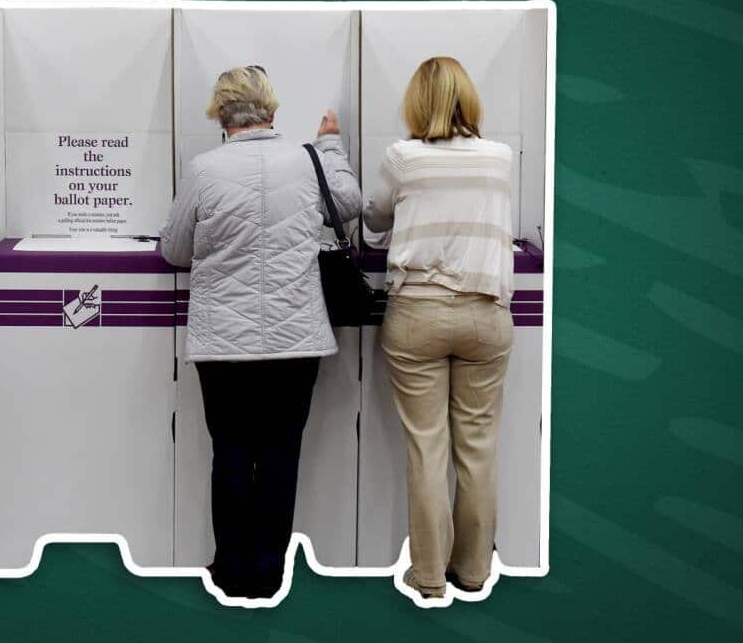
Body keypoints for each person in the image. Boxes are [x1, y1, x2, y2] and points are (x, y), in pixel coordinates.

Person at [160, 66, 362, 599]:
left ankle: (230, 571)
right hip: (296, 344)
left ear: (220, 115)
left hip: (222, 347)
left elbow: (174, 250)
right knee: (280, 455)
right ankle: (269, 573)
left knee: (229, 452)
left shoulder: (203, 169)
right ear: (272, 111)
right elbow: (350, 206)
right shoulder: (307, 161)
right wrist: (331, 145)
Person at [363, 57, 514, 599]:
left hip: (418, 316)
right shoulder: (500, 158)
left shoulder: (403, 158)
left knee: (427, 448)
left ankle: (427, 578)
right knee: (477, 447)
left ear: (416, 103)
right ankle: (473, 573)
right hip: (486, 315)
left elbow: (375, 217)